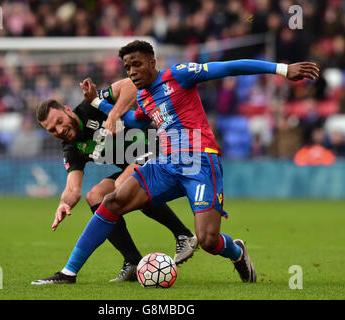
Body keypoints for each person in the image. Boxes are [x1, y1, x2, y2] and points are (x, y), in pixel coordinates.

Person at [34, 40, 320, 285]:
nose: (132, 72)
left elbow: (229, 67)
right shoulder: (145, 98)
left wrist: (282, 69)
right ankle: (69, 272)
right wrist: (98, 103)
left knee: (208, 240)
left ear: (152, 62)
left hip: (199, 162)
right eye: (127, 68)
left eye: (136, 64)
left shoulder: (179, 75)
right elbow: (135, 119)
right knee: (112, 201)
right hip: (166, 164)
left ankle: (237, 252)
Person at [32, 78, 197, 284]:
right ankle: (132, 260)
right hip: (136, 164)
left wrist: (113, 113)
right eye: (52, 130)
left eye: (59, 122)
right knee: (95, 196)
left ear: (67, 110)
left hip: (160, 147)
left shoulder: (90, 106)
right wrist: (64, 203)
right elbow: (73, 188)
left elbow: (130, 84)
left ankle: (183, 234)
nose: (59, 130)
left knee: (123, 187)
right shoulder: (72, 148)